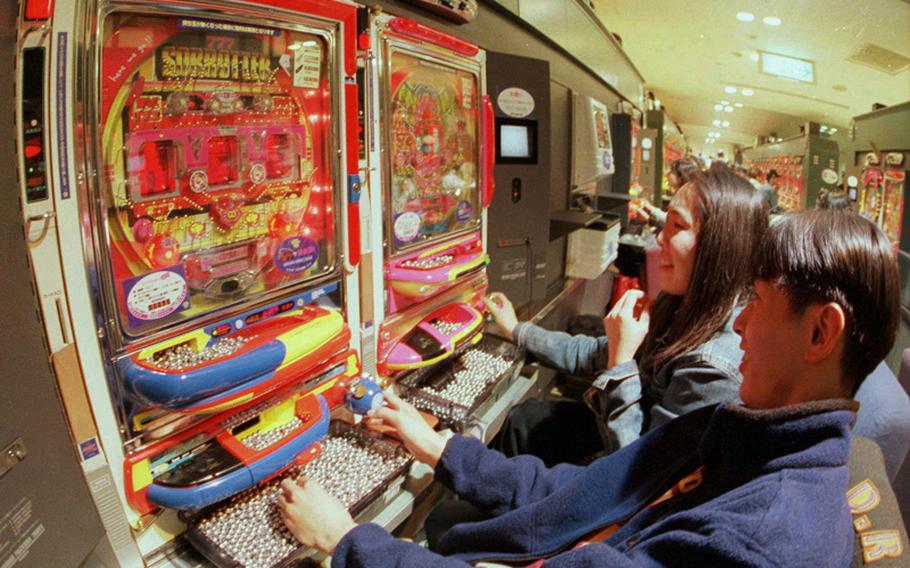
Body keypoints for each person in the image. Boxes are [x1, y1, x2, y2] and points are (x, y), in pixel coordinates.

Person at [278, 209, 901, 567]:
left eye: (759, 304)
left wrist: (346, 543)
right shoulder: (739, 429)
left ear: (821, 332)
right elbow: (581, 494)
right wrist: (441, 448)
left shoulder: (761, 541)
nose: (740, 324)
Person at [486, 166, 768, 465]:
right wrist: (518, 330)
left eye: (677, 226)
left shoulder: (713, 367)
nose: (660, 239)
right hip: (623, 431)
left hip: (626, 471)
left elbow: (638, 477)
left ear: (719, 245)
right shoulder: (687, 305)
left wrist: (621, 362)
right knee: (524, 420)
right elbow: (595, 352)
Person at [631, 157, 700, 227]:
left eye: (671, 172)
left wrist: (648, 219)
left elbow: (673, 223)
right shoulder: (685, 195)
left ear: (680, 177)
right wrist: (651, 209)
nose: (667, 174)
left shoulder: (686, 199)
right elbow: (670, 218)